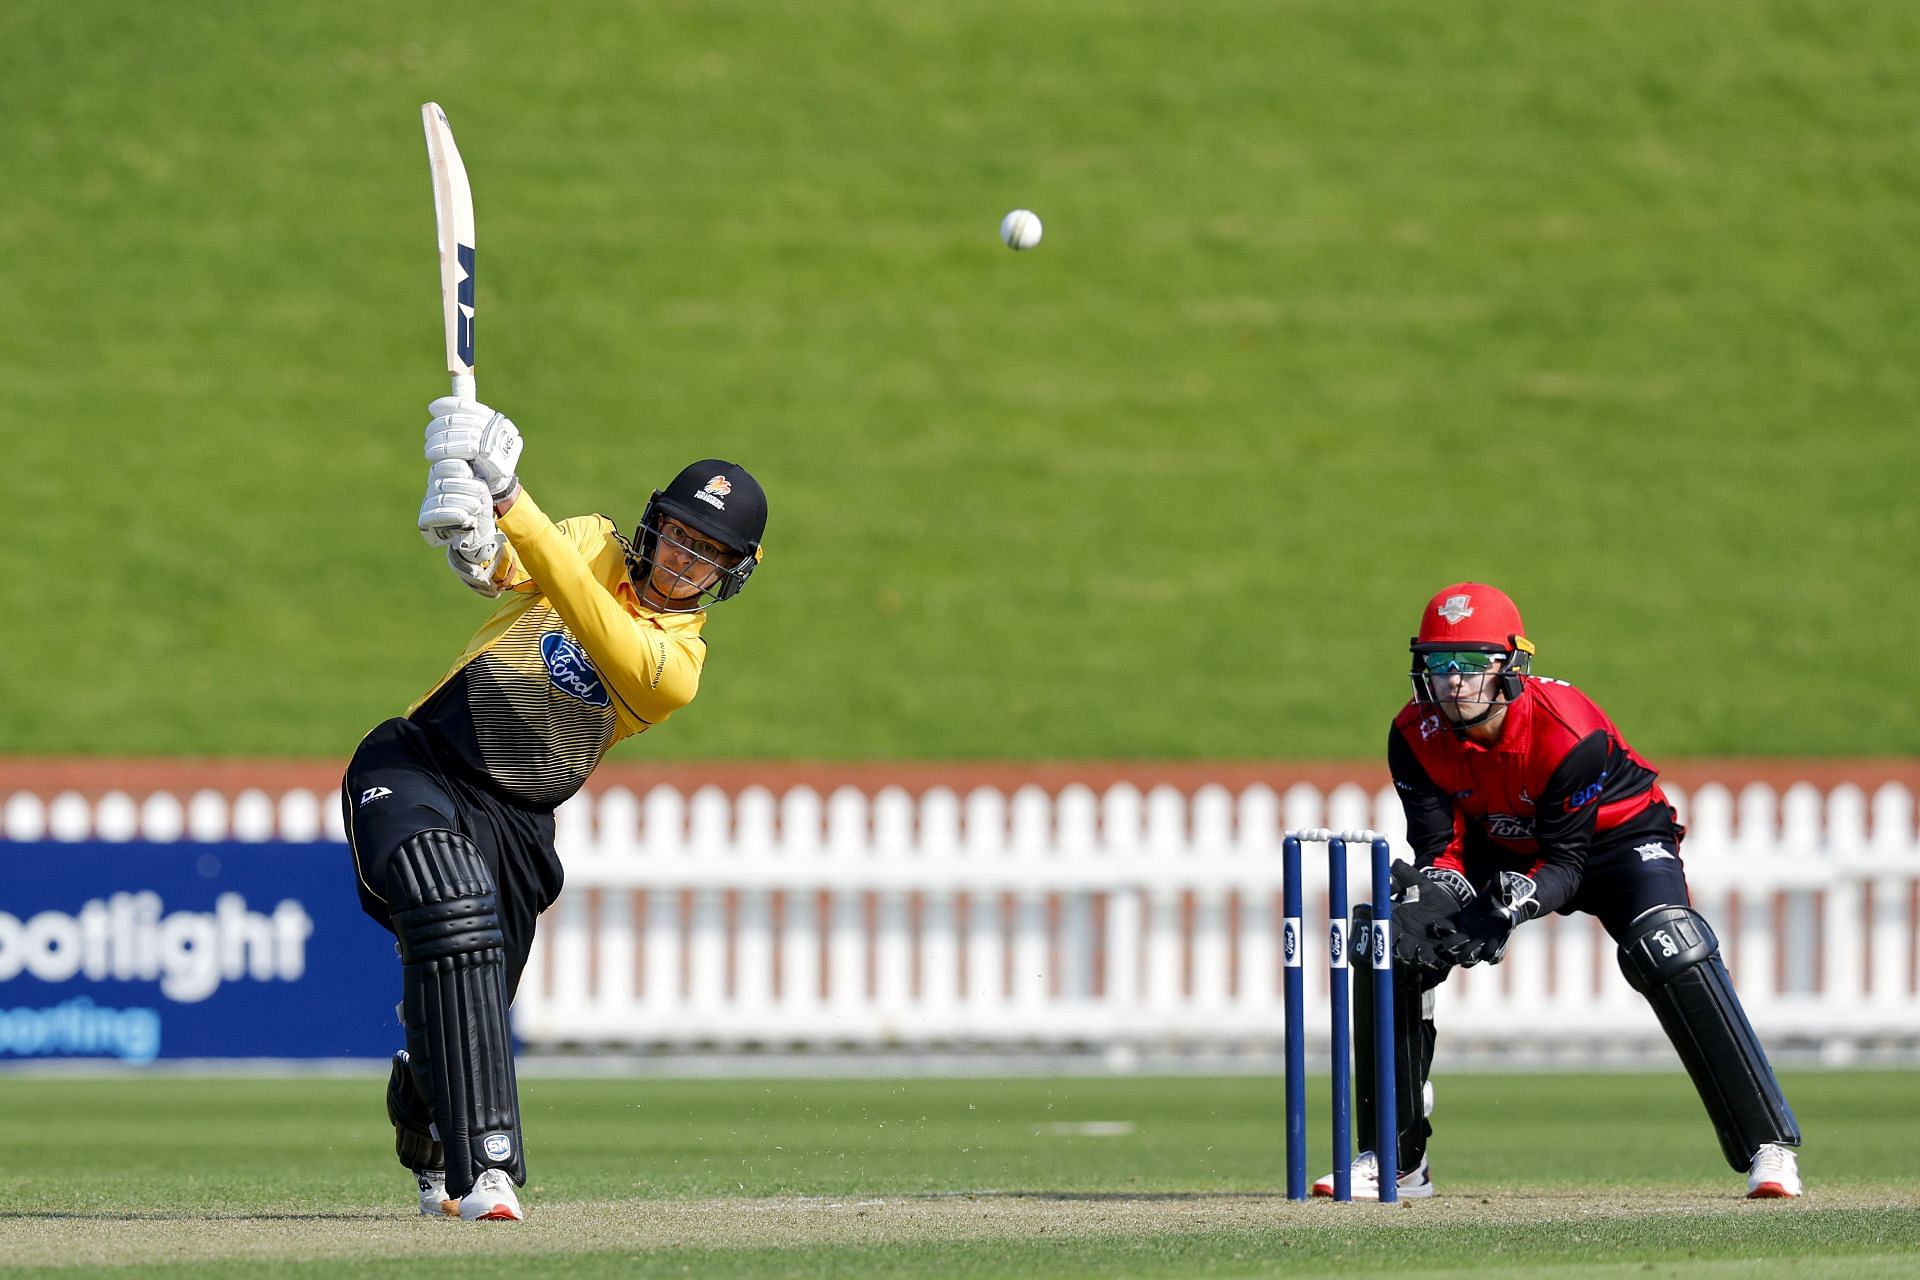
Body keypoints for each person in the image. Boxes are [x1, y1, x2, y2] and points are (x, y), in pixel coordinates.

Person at [340, 396, 767, 1220]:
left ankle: (423, 1122)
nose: (684, 560)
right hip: (420, 761)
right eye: (680, 533)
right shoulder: (592, 538)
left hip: (518, 824)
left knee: (464, 1008)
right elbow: (506, 567)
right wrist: (470, 523)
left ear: (731, 573)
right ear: (654, 526)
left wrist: (512, 499)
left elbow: (592, 618)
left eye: (708, 553)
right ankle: (491, 1169)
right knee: (446, 903)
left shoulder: (677, 664)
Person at [1316, 582, 1801, 1201]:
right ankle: (1397, 1162)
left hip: (1614, 841)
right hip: (1498, 840)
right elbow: (1442, 850)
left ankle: (1770, 1148)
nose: (1454, 682)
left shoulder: (1568, 731)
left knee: (1669, 946)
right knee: (1392, 941)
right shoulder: (1414, 732)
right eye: (1440, 665)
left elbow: (1567, 864)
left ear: (1510, 666)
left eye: (1471, 665)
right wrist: (1436, 900)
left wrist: (1511, 904)